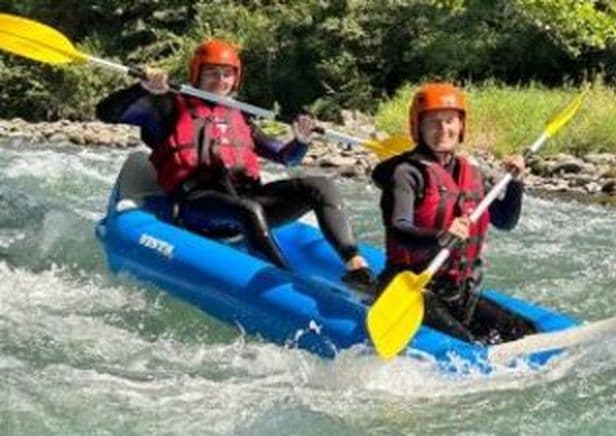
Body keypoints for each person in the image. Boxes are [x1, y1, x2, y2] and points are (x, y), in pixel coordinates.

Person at [96, 39, 374, 286]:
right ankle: (288, 281)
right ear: (197, 74)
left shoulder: (240, 115)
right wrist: (141, 89)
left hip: (246, 200)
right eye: (212, 73)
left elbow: (286, 157)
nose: (220, 80)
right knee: (248, 209)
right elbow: (106, 113)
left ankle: (356, 267)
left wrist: (300, 140)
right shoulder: (167, 105)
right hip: (198, 205)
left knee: (321, 186)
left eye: (227, 74)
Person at [371, 82, 537, 344]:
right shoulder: (406, 173)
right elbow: (399, 229)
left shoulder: (471, 172)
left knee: (525, 333)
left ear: (461, 126)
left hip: (460, 292)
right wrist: (440, 236)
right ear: (418, 126)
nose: (443, 129)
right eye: (433, 122)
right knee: (468, 345)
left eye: (450, 121)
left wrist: (515, 183)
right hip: (415, 288)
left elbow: (506, 220)